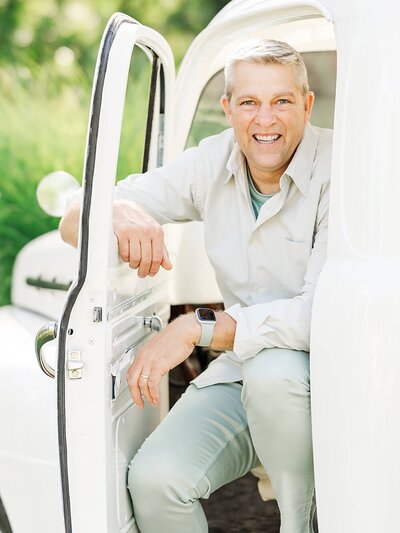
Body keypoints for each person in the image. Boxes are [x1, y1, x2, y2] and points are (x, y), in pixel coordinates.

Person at [60, 39, 332, 533]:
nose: (265, 120)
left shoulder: (340, 169)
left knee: (275, 373)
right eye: (249, 102)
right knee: (156, 480)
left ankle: (303, 521)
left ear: (307, 105)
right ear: (227, 108)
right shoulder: (213, 161)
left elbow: (326, 314)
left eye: (282, 101)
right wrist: (114, 209)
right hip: (245, 369)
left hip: (338, 378)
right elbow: (73, 219)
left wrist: (197, 328)